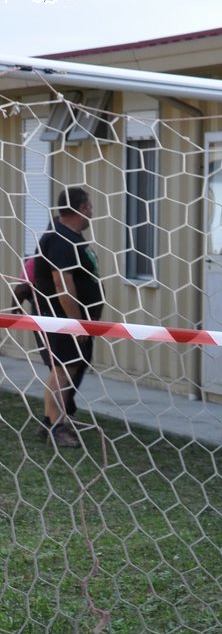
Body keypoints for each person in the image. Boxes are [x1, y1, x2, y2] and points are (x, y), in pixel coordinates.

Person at [30, 186, 103, 449]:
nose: (92, 211)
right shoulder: (60, 238)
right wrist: (76, 324)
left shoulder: (70, 236)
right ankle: (57, 427)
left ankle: (53, 420)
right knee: (62, 372)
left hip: (74, 322)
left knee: (72, 370)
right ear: (82, 208)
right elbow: (62, 283)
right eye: (90, 206)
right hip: (60, 320)